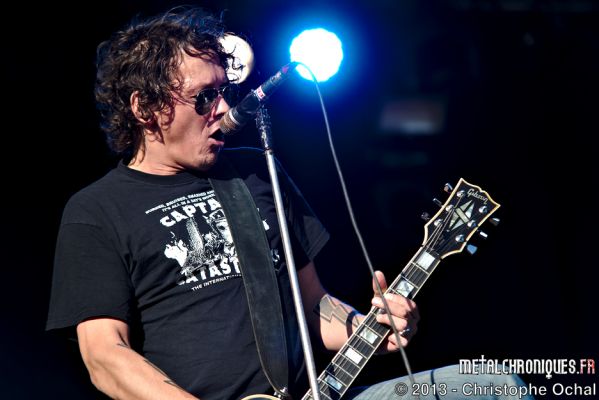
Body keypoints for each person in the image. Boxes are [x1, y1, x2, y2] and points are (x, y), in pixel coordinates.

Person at [46, 7, 533, 400]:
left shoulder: (256, 172)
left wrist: (368, 326)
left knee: (494, 385)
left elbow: (314, 305)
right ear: (145, 108)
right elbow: (104, 355)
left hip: (317, 392)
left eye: (223, 91)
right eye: (203, 97)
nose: (223, 107)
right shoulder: (97, 211)